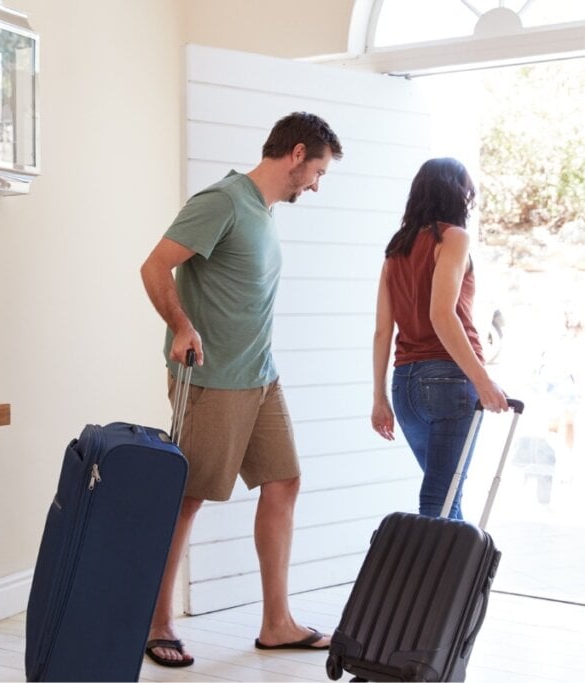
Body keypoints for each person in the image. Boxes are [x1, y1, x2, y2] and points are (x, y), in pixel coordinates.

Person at [139, 112, 343, 667]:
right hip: (212, 379)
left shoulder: (263, 211)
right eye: (319, 172)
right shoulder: (224, 200)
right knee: (187, 498)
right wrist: (182, 326)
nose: (318, 185)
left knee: (284, 481)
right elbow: (156, 266)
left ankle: (276, 623)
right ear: (296, 154)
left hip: (260, 377)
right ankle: (157, 621)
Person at [371, 158, 508, 519]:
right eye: (468, 190)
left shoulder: (396, 249)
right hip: (448, 381)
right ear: (456, 193)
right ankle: (428, 576)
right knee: (439, 501)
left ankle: (462, 577)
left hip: (406, 388)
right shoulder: (453, 238)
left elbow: (383, 330)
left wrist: (379, 397)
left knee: (448, 500)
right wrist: (483, 381)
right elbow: (441, 314)